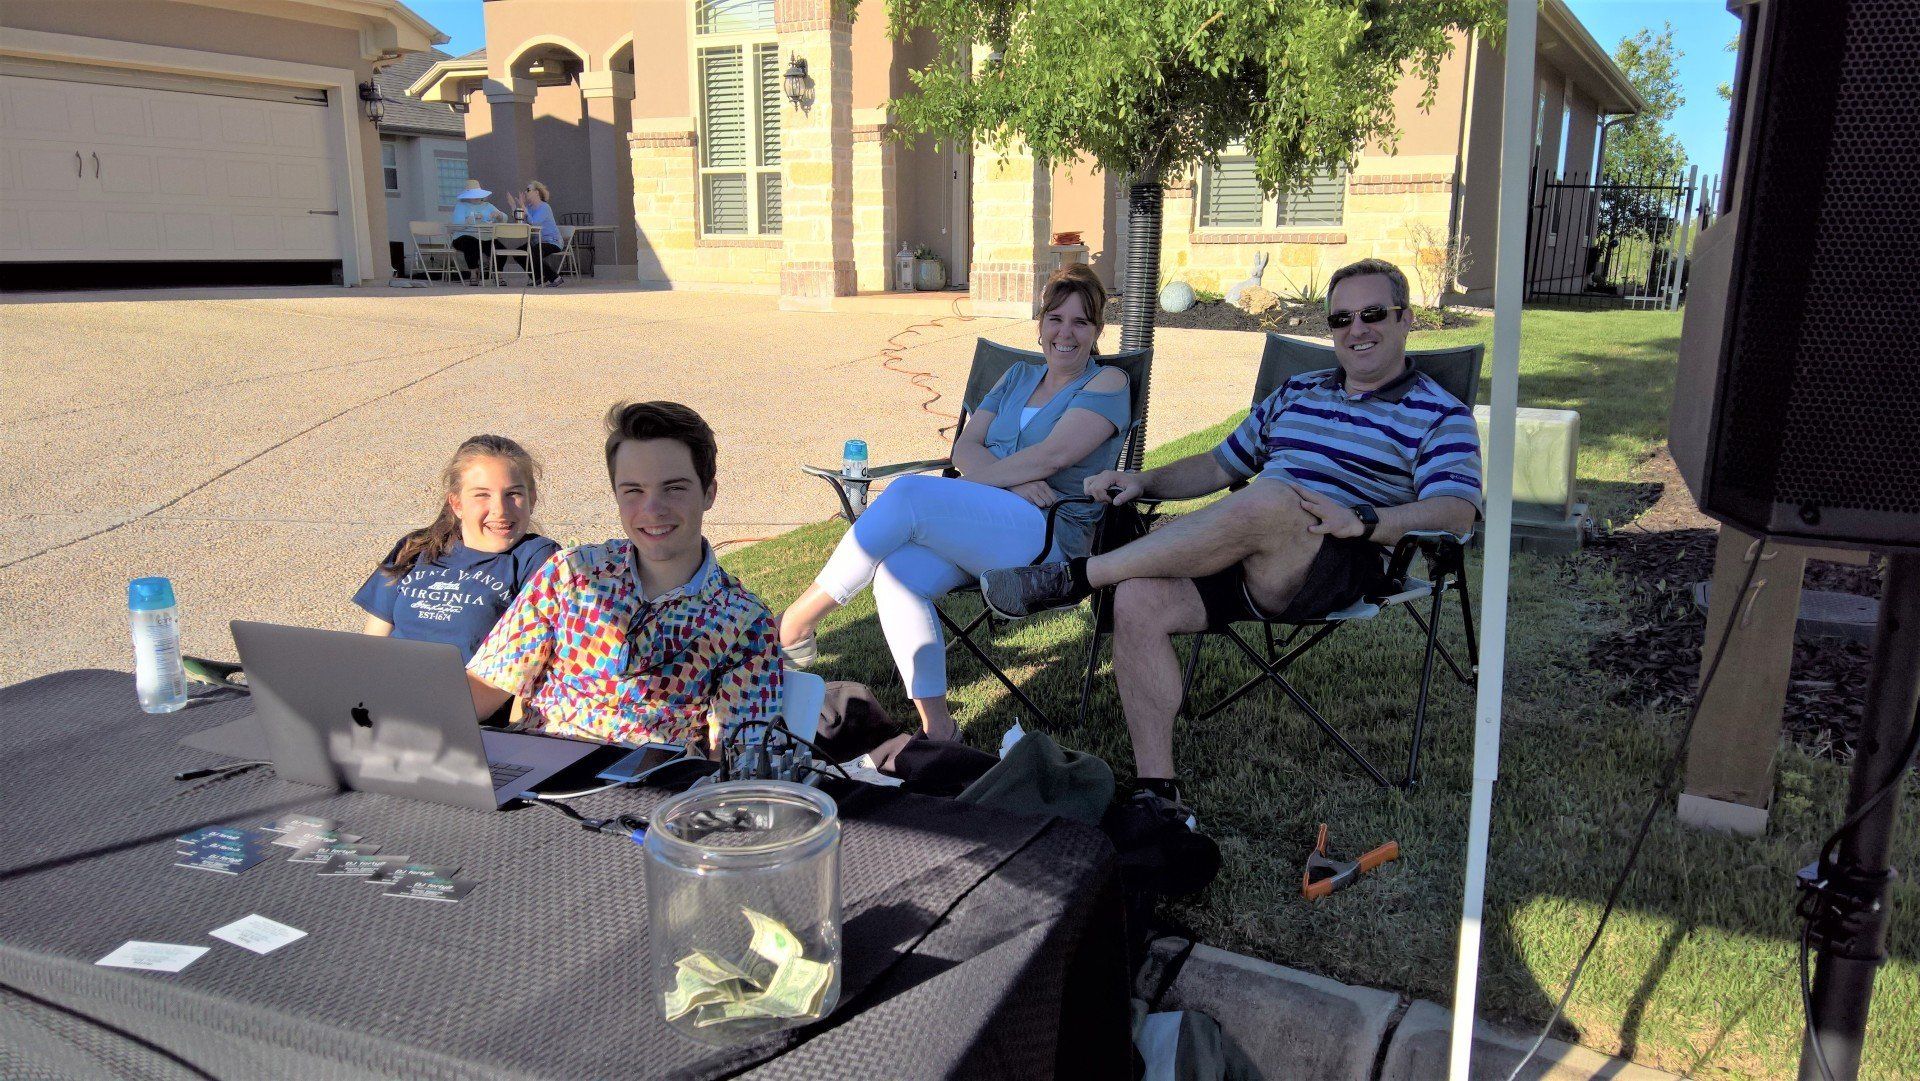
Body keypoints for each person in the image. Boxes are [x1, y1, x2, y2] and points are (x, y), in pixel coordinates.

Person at [979, 258, 1482, 813]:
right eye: (1341, 319)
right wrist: (1143, 479)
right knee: (1141, 596)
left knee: (1269, 497)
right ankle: (1157, 790)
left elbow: (1459, 510)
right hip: (1242, 546)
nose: (1356, 329)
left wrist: (1367, 522)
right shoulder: (1299, 390)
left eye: (1372, 314)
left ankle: (1078, 577)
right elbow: (1220, 467)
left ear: (1406, 319)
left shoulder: (1440, 412)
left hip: (1337, 559)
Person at [775, 264, 1130, 741]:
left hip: (1050, 540)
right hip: (985, 527)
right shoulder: (1016, 375)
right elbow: (964, 448)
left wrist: (994, 482)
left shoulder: (1107, 384)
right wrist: (1006, 484)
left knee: (907, 493)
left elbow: (1054, 455)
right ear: (1040, 323)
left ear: (1097, 331)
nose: (1065, 333)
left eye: (1081, 322)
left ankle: (796, 622)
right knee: (896, 572)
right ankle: (940, 730)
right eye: (1056, 318)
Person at [465, 401, 782, 751]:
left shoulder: (743, 621)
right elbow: (485, 688)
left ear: (709, 493)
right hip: (540, 769)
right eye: (634, 491)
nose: (652, 509)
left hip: (651, 790)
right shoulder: (571, 574)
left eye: (674, 488)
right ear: (616, 494)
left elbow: (735, 758)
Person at [353, 434, 559, 661]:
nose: (500, 510)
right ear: (457, 504)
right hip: (390, 686)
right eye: (482, 495)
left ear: (532, 499)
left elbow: (526, 661)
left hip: (469, 693)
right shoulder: (415, 548)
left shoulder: (538, 559)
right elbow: (371, 646)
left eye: (513, 494)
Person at [505, 180, 566, 286]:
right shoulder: (529, 208)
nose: (525, 192)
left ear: (537, 192)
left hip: (552, 242)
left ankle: (555, 278)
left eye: (528, 190)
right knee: (518, 253)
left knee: (534, 252)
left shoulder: (545, 207)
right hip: (536, 242)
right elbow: (521, 223)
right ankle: (538, 277)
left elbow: (535, 223)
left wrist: (523, 206)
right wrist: (513, 206)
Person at [448, 181, 506, 285]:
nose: (475, 197)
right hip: (464, 237)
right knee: (472, 244)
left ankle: (498, 274)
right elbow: (457, 225)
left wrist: (499, 215)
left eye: (477, 195)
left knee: (500, 248)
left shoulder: (488, 206)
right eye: (472, 195)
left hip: (485, 237)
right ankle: (473, 274)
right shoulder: (461, 206)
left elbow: (504, 218)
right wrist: (471, 219)